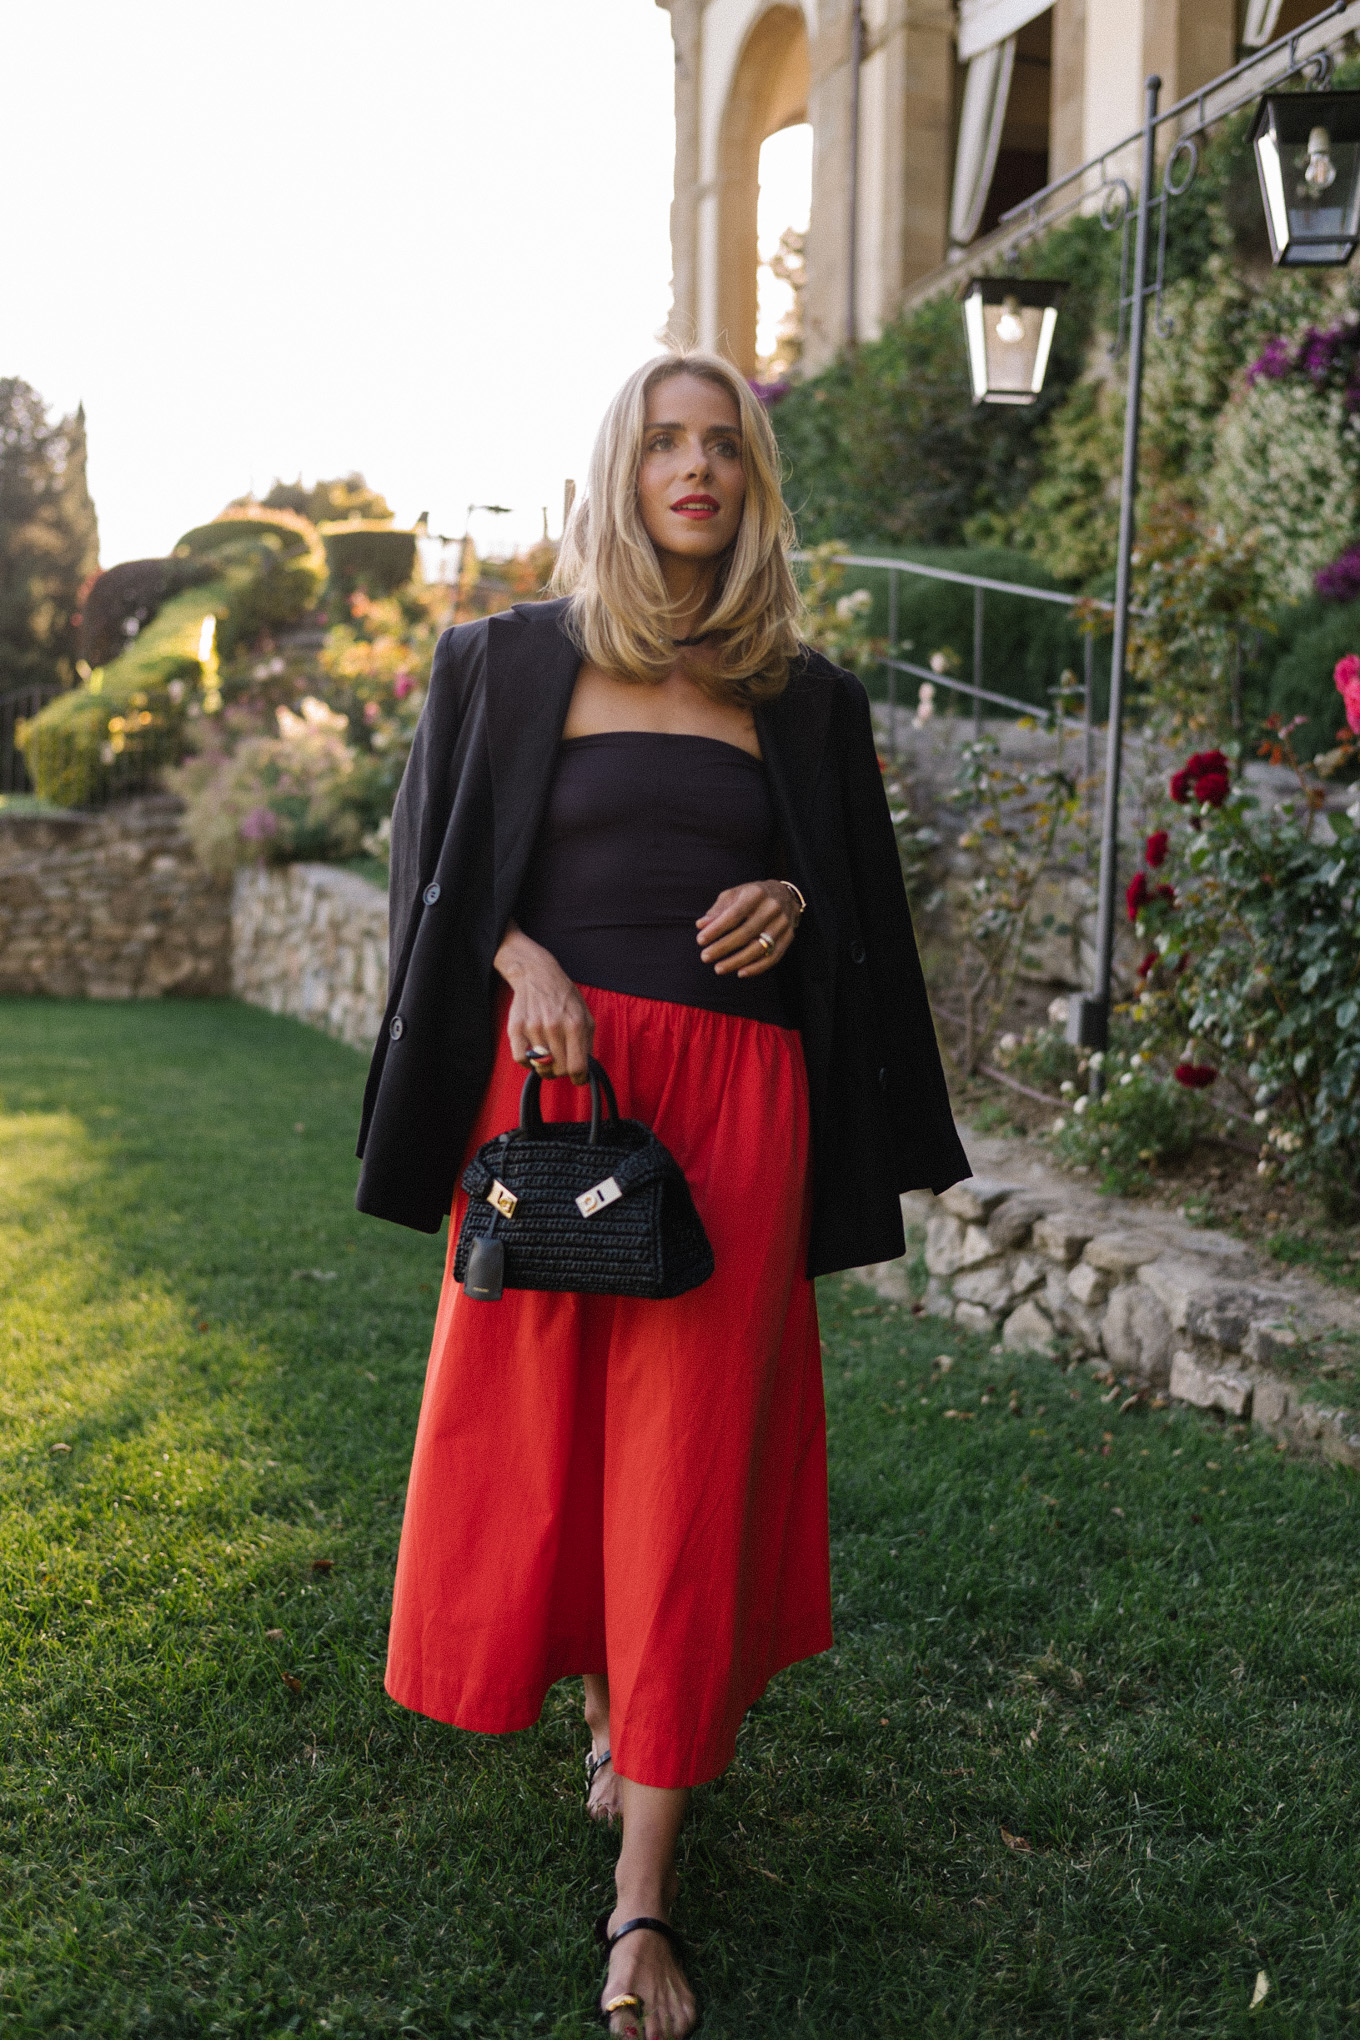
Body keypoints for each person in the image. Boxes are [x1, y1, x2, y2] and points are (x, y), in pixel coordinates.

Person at [355, 349, 969, 2038]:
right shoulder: (502, 661)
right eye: (666, 444)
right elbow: (426, 866)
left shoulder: (805, 694)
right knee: (546, 1433)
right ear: (620, 472)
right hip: (555, 1092)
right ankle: (606, 1699)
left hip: (740, 1104)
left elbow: (853, 913)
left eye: (725, 447)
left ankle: (641, 1899)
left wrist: (784, 893)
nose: (696, 469)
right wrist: (517, 955)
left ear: (751, 484)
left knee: (694, 1461)